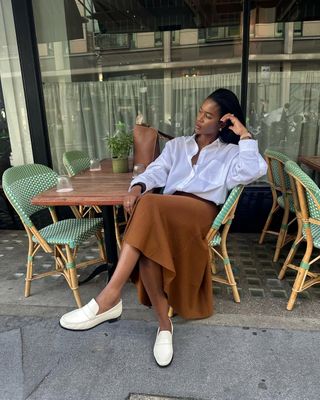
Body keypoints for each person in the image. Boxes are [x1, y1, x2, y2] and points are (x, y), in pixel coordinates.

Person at [59, 88, 267, 367]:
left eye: (208, 116)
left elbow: (254, 170)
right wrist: (137, 187)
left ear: (223, 123)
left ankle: (109, 296)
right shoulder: (178, 145)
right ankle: (164, 325)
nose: (199, 119)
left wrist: (245, 135)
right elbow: (156, 170)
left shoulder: (231, 153)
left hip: (199, 212)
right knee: (147, 229)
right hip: (165, 212)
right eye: (199, 111)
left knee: (148, 208)